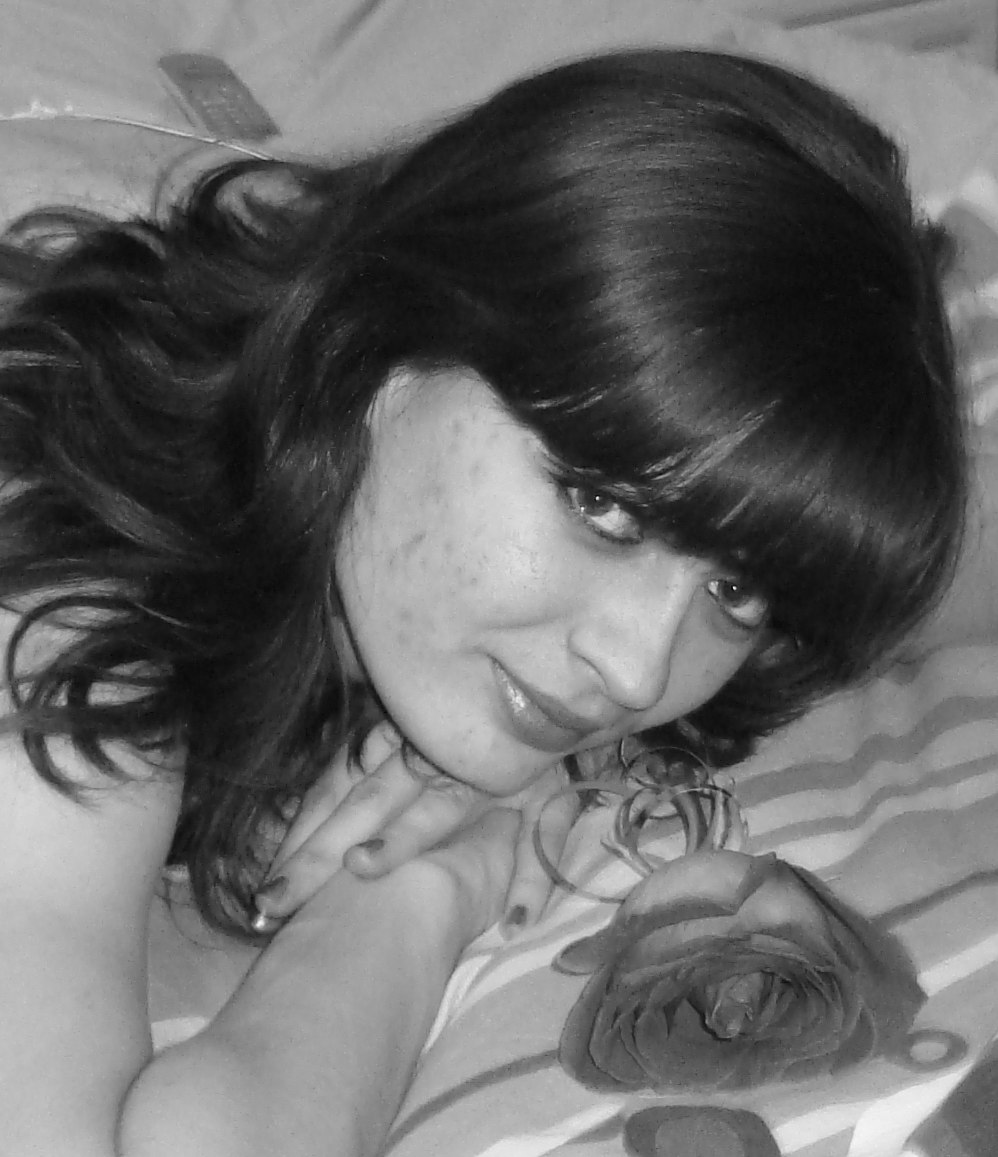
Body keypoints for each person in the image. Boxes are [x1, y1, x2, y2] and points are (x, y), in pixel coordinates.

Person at [0, 46, 965, 1157]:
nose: (638, 668)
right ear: (382, 346)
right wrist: (422, 889)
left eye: (735, 588)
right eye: (602, 505)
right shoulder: (68, 585)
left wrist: (451, 849)